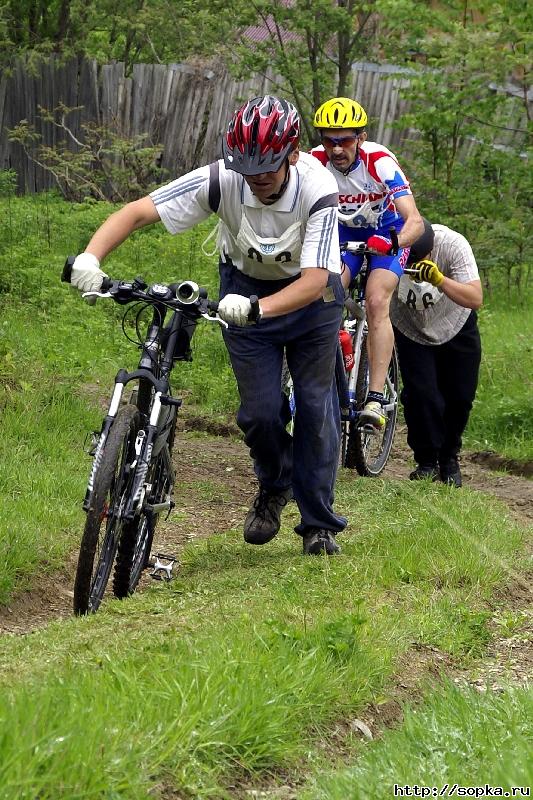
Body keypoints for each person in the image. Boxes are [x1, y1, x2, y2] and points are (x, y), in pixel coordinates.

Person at [69, 95, 347, 556]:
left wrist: (257, 309)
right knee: (258, 414)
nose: (256, 179)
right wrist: (90, 257)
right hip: (242, 287)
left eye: (267, 169)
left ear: (293, 155)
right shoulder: (223, 179)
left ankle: (319, 523)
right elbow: (139, 211)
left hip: (310, 301)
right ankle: (275, 485)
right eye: (247, 169)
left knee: (316, 410)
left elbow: (317, 280)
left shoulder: (318, 191)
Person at [311, 96, 425, 429]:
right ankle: (330, 357)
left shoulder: (380, 162)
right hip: (344, 232)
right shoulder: (313, 161)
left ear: (360, 138)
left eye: (344, 140)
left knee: (376, 300)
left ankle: (375, 398)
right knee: (325, 294)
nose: (335, 149)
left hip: (388, 230)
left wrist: (391, 241)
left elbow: (414, 221)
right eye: (328, 140)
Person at [389, 222, 483, 487]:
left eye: (422, 258)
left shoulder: (453, 245)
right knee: (422, 395)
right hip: (410, 328)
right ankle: (427, 461)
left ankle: (449, 457)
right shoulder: (389, 250)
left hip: (456, 321)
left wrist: (440, 280)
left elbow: (475, 297)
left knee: (460, 396)